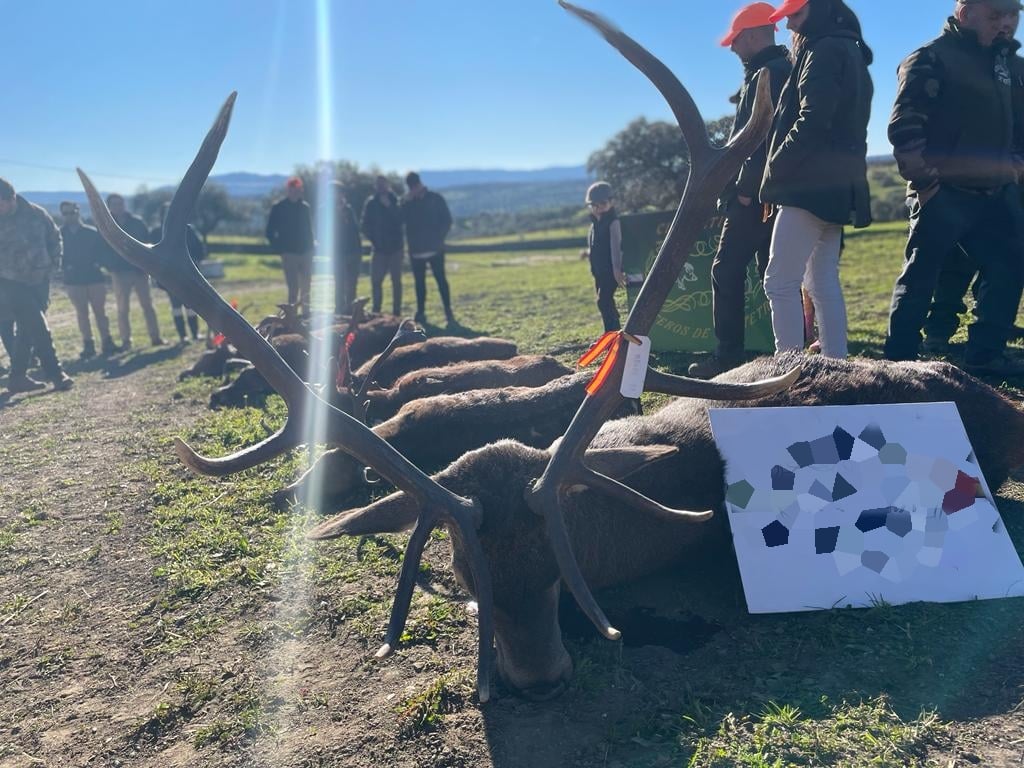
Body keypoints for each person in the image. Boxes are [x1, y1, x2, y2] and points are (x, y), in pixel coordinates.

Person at [883, 0, 1024, 374]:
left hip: (997, 193)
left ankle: (984, 357)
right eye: (996, 15)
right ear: (965, 13)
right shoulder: (930, 59)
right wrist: (927, 184)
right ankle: (899, 363)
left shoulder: (1010, 65)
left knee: (1009, 268)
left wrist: (1015, 169)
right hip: (942, 193)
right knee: (921, 278)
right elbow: (905, 127)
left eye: (1013, 15)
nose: (1006, 24)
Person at [759, 0, 873, 360]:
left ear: (819, 9)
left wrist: (776, 167)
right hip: (839, 185)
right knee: (821, 282)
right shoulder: (847, 48)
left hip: (808, 186)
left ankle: (787, 371)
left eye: (795, 14)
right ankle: (836, 364)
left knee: (779, 282)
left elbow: (812, 118)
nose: (790, 25)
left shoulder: (822, 50)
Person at [689, 2, 792, 378]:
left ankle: (728, 356)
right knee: (774, 273)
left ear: (751, 36)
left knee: (727, 269)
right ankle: (787, 352)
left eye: (736, 41)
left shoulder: (770, 73)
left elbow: (763, 139)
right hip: (772, 195)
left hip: (757, 198)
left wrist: (745, 190)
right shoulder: (773, 70)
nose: (732, 48)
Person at [0, 177, 73, 392]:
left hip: (40, 279)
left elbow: (55, 237)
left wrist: (54, 264)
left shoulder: (36, 213)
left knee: (27, 328)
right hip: (11, 281)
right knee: (38, 325)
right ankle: (56, 373)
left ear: (11, 199)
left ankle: (17, 377)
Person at [101, 193, 166, 349]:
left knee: (148, 305)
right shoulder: (106, 225)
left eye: (121, 203)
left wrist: (147, 264)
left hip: (140, 271)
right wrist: (111, 267)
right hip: (119, 272)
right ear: (109, 206)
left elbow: (148, 243)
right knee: (123, 308)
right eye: (115, 204)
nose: (119, 206)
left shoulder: (137, 222)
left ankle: (155, 337)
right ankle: (126, 340)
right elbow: (102, 248)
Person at [59, 201, 116, 358]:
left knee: (100, 312)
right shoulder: (59, 235)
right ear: (62, 215)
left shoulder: (92, 232)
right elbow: (56, 255)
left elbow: (103, 252)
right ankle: (88, 344)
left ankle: (107, 341)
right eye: (66, 213)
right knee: (82, 313)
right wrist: (65, 267)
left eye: (72, 212)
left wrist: (99, 263)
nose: (70, 216)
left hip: (94, 278)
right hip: (73, 280)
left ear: (78, 211)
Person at [401, 172, 454, 325]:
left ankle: (448, 311)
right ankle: (421, 312)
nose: (413, 189)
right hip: (416, 251)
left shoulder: (435, 198)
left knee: (441, 280)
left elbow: (447, 220)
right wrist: (405, 203)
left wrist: (439, 239)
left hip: (435, 249)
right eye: (410, 187)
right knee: (419, 283)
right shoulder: (407, 203)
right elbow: (399, 220)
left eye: (415, 186)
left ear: (420, 184)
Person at [151, 202, 206, 343]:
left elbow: (199, 251)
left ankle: (195, 334)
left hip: (188, 274)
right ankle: (183, 336)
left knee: (191, 305)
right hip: (168, 276)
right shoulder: (156, 232)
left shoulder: (188, 230)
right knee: (176, 306)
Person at [265, 176, 315, 313]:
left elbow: (309, 229)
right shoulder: (279, 208)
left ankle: (306, 315)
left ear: (301, 190)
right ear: (288, 190)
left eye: (298, 189)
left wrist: (312, 247)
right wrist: (280, 249)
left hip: (306, 252)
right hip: (289, 254)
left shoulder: (305, 208)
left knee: (306, 287)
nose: (296, 192)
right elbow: (269, 232)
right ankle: (292, 317)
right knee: (293, 288)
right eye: (293, 189)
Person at [583, 181, 625, 333]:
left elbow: (616, 247)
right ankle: (612, 331)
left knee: (604, 301)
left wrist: (617, 269)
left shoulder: (613, 222)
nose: (598, 207)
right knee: (605, 302)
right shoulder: (595, 224)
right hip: (598, 271)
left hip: (609, 269)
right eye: (594, 204)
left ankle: (612, 332)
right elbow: (597, 247)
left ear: (611, 202)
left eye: (603, 203)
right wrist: (587, 253)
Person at [361, 175, 404, 316]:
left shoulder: (396, 200)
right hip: (378, 249)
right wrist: (374, 240)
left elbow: (401, 220)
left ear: (388, 185)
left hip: (396, 249)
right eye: (378, 185)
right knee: (376, 282)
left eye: (383, 184)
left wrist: (390, 207)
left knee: (396, 282)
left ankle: (396, 312)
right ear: (375, 187)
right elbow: (364, 225)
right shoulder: (371, 203)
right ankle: (376, 310)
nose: (381, 187)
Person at [331, 182, 364, 316]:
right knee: (339, 283)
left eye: (340, 192)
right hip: (338, 252)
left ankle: (351, 310)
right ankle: (339, 310)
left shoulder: (348, 209)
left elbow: (355, 230)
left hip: (353, 251)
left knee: (352, 283)